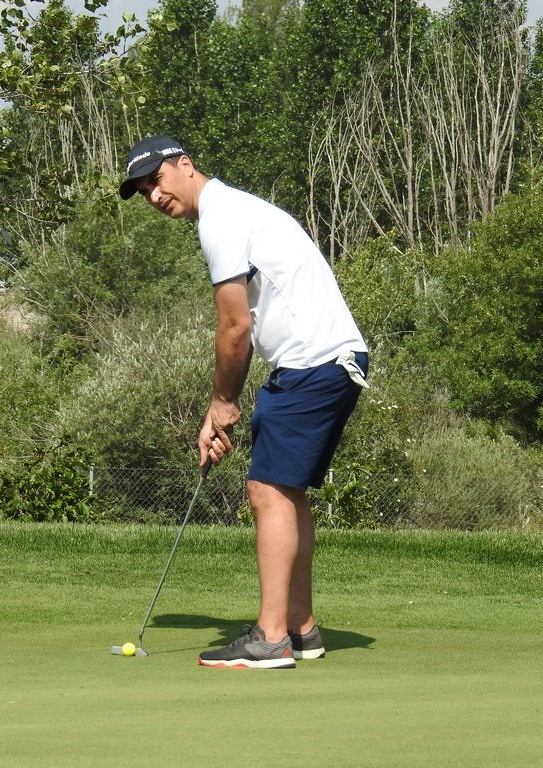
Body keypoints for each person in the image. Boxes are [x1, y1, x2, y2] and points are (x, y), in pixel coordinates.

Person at [119, 135, 368, 669]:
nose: (153, 196)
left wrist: (221, 404)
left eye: (156, 180)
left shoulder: (220, 218)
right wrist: (224, 404)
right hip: (325, 361)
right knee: (286, 490)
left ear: (185, 166)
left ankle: (271, 637)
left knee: (266, 490)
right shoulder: (234, 209)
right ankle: (300, 628)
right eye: (143, 192)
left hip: (314, 361)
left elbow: (234, 328)